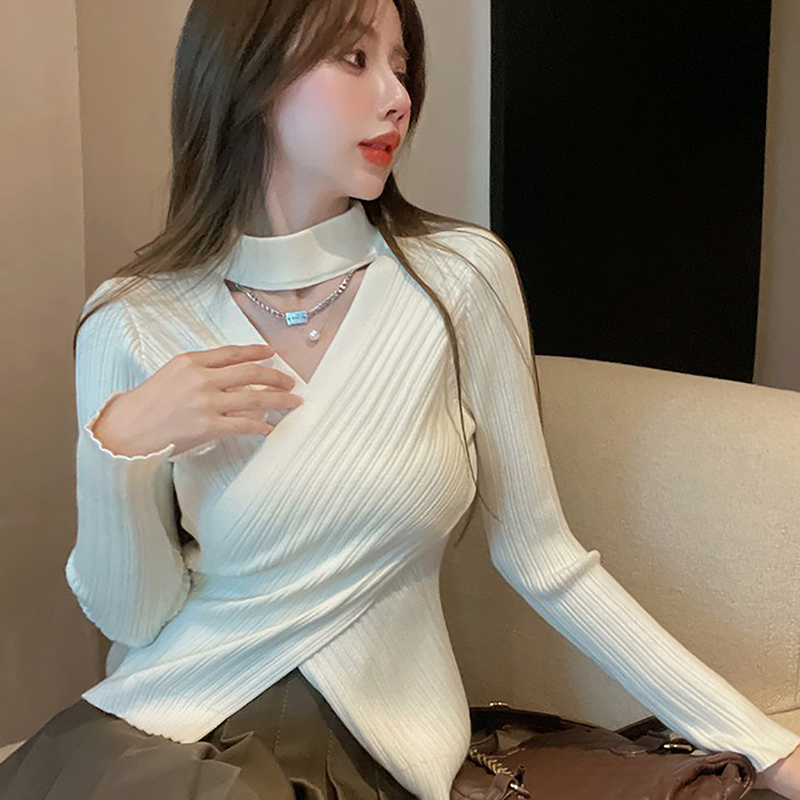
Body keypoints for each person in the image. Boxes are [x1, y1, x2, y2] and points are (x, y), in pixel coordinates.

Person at [2, 0, 800, 797]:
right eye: (354, 59)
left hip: (366, 745)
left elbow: (545, 559)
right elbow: (136, 620)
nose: (397, 98)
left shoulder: (457, 280)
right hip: (159, 729)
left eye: (402, 66)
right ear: (249, 74)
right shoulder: (133, 318)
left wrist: (765, 747)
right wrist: (117, 451)